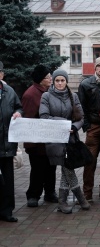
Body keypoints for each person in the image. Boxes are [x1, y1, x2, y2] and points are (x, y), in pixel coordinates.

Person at [39, 69, 90, 214]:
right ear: (53, 82)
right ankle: (80, 198)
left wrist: (74, 126)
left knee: (66, 169)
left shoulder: (73, 96)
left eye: (63, 80)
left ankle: (62, 202)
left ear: (66, 82)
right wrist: (64, 123)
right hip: (55, 139)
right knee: (67, 168)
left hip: (71, 139)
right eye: (57, 80)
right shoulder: (46, 96)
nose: (60, 83)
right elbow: (44, 116)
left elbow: (81, 117)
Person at [78, 57, 100, 202]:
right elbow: (81, 107)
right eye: (99, 65)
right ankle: (87, 193)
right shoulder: (86, 84)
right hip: (93, 126)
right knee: (89, 160)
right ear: (95, 67)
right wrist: (87, 126)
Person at [22, 65, 57, 207]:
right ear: (40, 79)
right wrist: (30, 143)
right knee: (37, 169)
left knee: (51, 168)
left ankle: (50, 192)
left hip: (50, 139)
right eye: (48, 77)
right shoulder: (30, 94)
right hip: (36, 142)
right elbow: (28, 120)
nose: (51, 79)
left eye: (50, 76)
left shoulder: (50, 91)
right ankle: (33, 195)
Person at [0, 75, 22, 222]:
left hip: (7, 143)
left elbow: (18, 106)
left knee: (8, 180)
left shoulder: (9, 91)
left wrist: (19, 113)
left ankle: (7, 211)